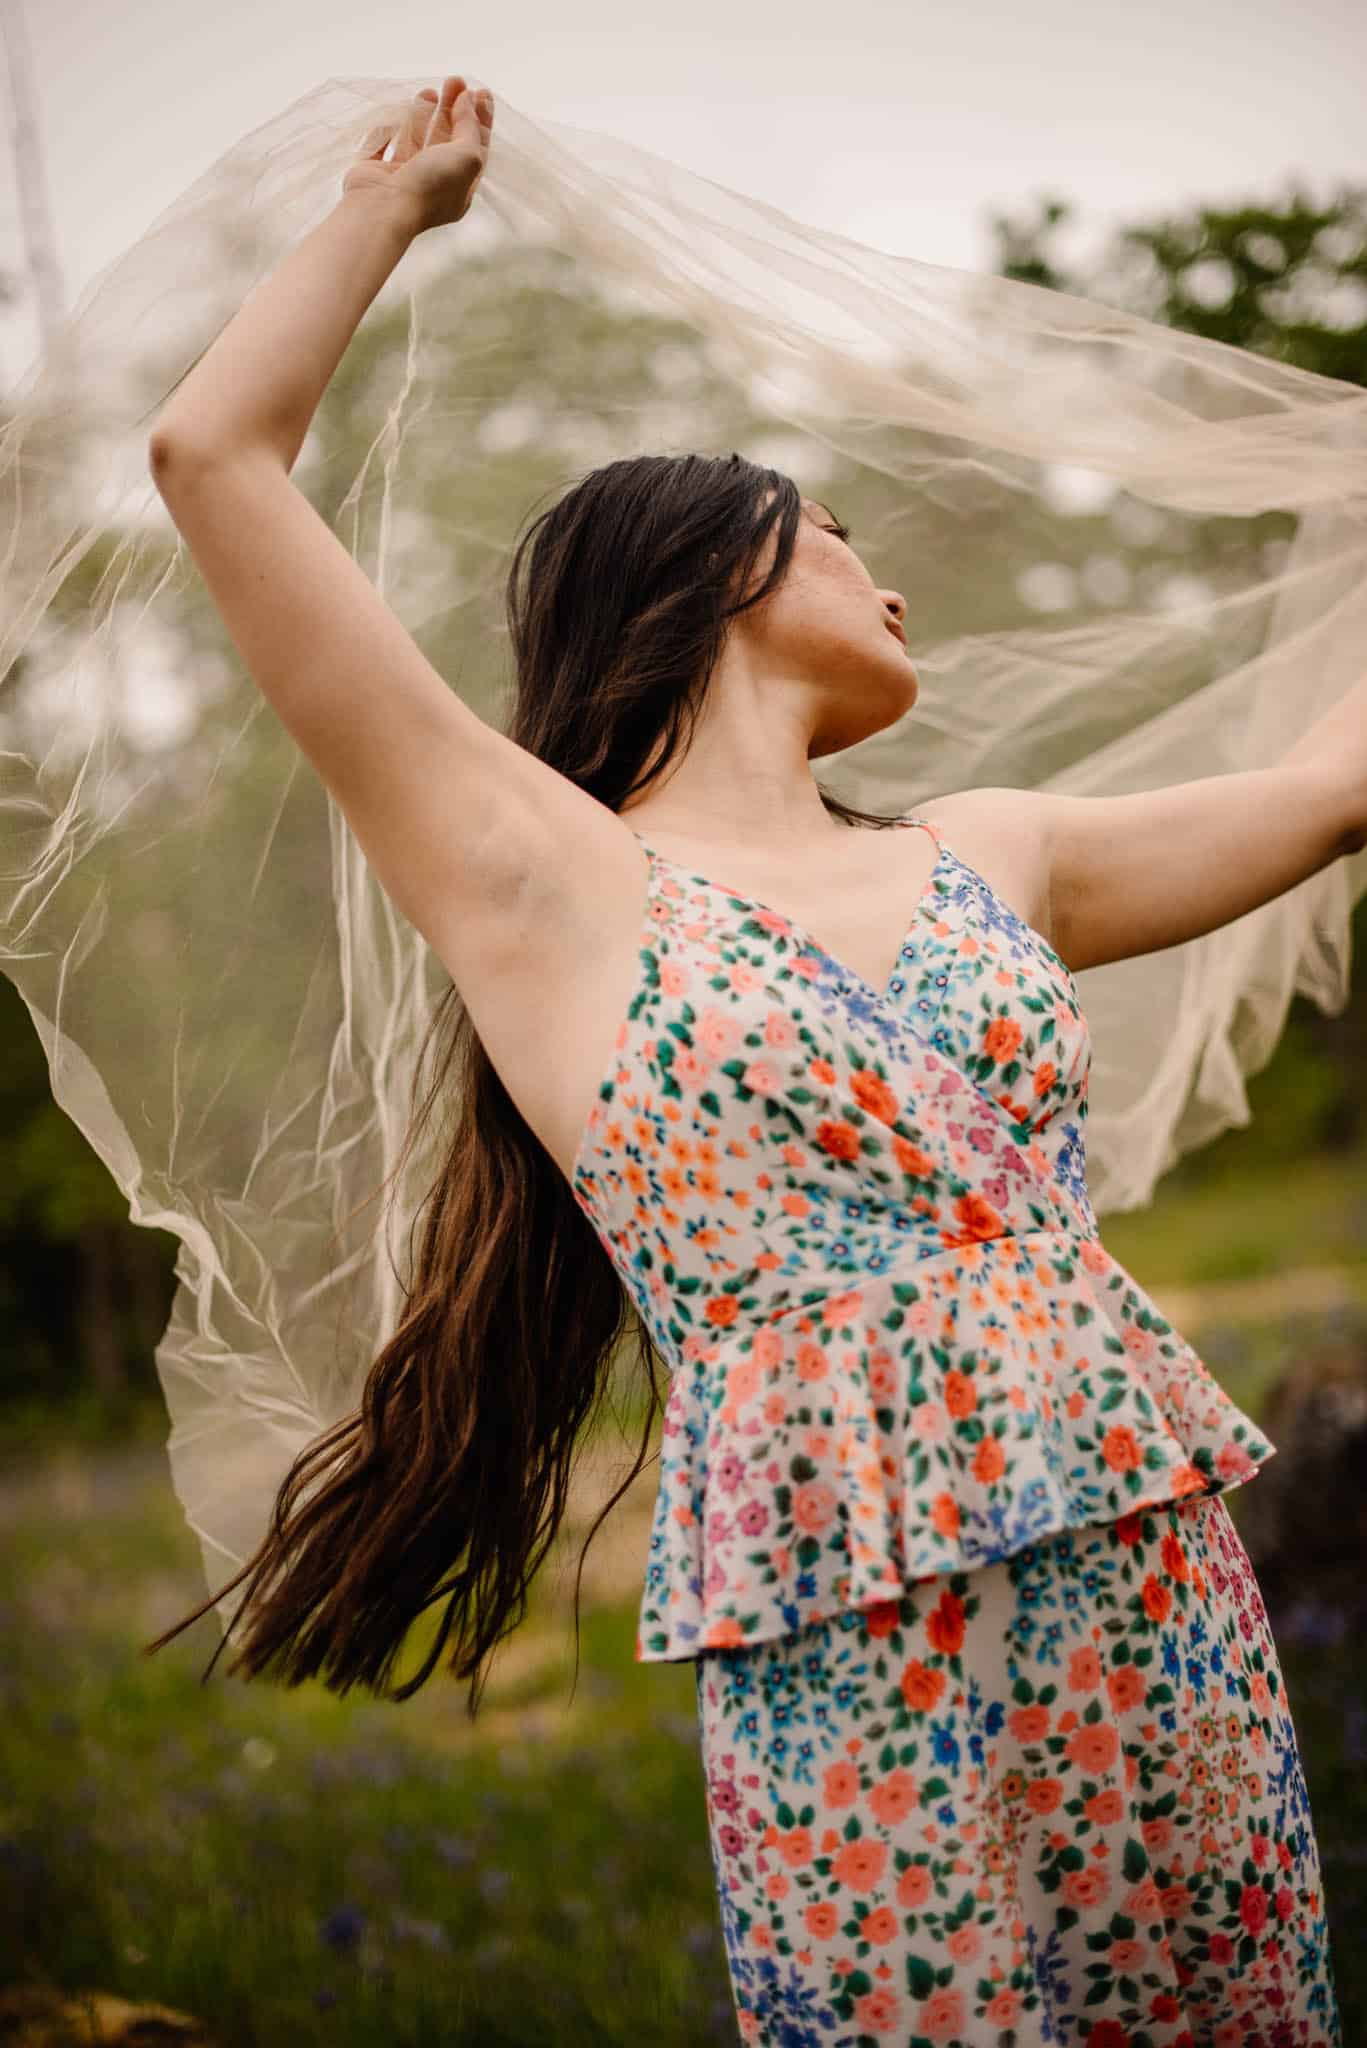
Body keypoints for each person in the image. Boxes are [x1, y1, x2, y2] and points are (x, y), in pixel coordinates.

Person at [138, 76, 1348, 2043]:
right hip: (860, 1636)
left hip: (1153, 1564)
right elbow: (214, 455)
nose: (898, 582)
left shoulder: (991, 850)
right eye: (844, 534)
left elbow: (1329, 785)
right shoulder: (544, 876)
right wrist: (397, 210)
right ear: (710, 575)